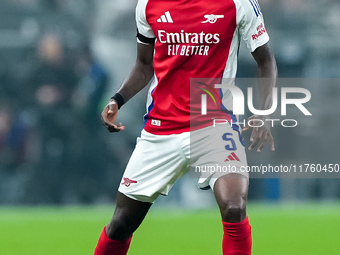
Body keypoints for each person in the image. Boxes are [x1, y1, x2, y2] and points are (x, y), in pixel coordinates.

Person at [95, 0, 277, 254]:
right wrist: (118, 99)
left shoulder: (238, 3)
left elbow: (266, 61)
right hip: (161, 129)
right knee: (121, 223)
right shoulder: (148, 5)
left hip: (215, 125)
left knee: (234, 207)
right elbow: (144, 65)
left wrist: (264, 113)